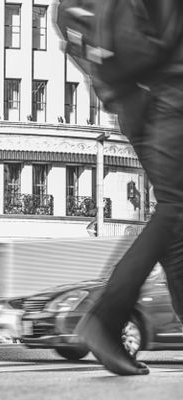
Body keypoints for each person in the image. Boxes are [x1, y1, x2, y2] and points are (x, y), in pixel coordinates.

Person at [77, 1, 183, 376]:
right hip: (169, 93)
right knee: (175, 208)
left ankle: (106, 319)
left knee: (174, 218)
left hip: (136, 99)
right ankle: (106, 317)